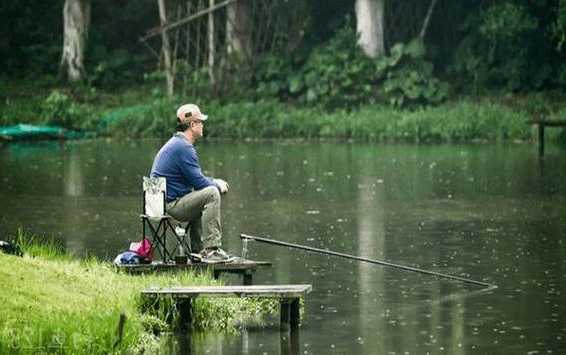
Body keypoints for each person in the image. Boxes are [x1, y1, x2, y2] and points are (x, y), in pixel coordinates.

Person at [150, 103, 234, 263]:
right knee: (211, 193)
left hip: (160, 205)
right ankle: (211, 250)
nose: (203, 125)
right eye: (201, 121)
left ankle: (199, 250)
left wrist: (212, 181)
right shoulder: (183, 147)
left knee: (201, 195)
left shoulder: (177, 144)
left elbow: (196, 180)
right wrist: (216, 183)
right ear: (192, 124)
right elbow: (201, 183)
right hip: (170, 206)